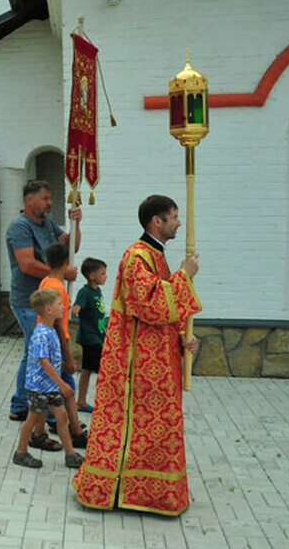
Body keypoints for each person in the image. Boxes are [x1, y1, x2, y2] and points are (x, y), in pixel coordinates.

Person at [73, 195, 201, 516]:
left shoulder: (155, 256)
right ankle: (115, 490)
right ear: (156, 221)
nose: (179, 223)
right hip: (135, 365)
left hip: (157, 361)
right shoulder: (136, 257)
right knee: (132, 426)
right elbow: (150, 306)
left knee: (158, 428)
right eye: (174, 217)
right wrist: (185, 275)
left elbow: (166, 310)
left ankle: (152, 492)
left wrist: (183, 338)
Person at [6, 180, 81, 422]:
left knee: (32, 352)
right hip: (29, 301)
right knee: (41, 353)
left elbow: (70, 247)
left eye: (50, 198)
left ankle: (21, 404)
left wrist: (77, 224)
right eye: (45, 198)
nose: (50, 203)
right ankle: (41, 408)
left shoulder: (47, 223)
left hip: (48, 301)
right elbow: (27, 264)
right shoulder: (20, 227)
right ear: (30, 201)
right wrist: (59, 273)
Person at [12, 288, 85, 469]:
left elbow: (51, 359)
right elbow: (43, 362)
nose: (63, 307)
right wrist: (62, 384)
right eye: (59, 304)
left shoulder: (51, 331)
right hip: (39, 387)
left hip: (50, 386)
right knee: (33, 419)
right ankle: (20, 452)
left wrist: (64, 365)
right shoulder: (41, 334)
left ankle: (70, 454)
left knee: (61, 417)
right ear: (48, 310)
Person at [26, 243, 88, 450]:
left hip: (51, 340)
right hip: (55, 343)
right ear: (67, 263)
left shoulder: (46, 280)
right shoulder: (56, 287)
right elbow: (59, 324)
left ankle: (58, 429)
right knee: (66, 388)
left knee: (51, 390)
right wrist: (67, 355)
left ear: (47, 262)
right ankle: (74, 432)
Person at [70, 257, 108, 412]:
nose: (106, 277)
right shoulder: (84, 292)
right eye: (103, 274)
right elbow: (76, 308)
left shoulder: (97, 291)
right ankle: (103, 402)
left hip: (98, 336)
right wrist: (73, 309)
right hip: (90, 338)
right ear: (92, 276)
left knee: (87, 369)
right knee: (103, 370)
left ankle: (81, 401)